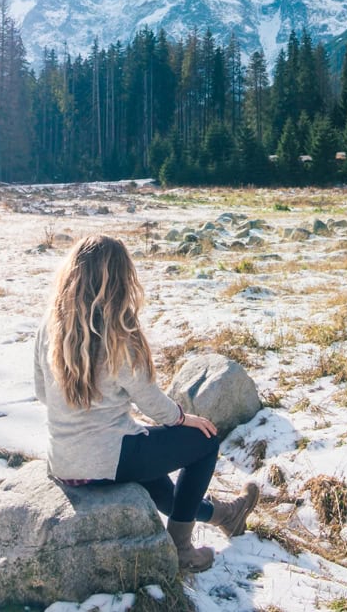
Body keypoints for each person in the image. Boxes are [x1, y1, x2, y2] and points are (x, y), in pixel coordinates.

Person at [34, 233, 259, 571]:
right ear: (120, 281)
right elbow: (150, 401)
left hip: (65, 462)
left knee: (162, 485)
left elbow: (41, 393)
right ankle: (182, 549)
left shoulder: (50, 328)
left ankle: (227, 515)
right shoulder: (117, 334)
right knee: (206, 440)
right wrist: (184, 418)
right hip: (107, 459)